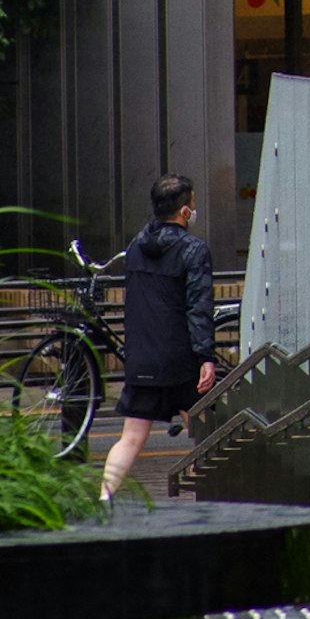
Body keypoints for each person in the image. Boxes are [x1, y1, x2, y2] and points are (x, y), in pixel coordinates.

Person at [97, 169, 216, 503]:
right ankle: (208, 496)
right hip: (180, 358)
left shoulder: (136, 247)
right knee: (208, 429)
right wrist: (205, 356)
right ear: (184, 211)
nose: (194, 208)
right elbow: (198, 306)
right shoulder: (194, 251)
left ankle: (104, 498)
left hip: (143, 358)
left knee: (131, 438)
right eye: (193, 203)